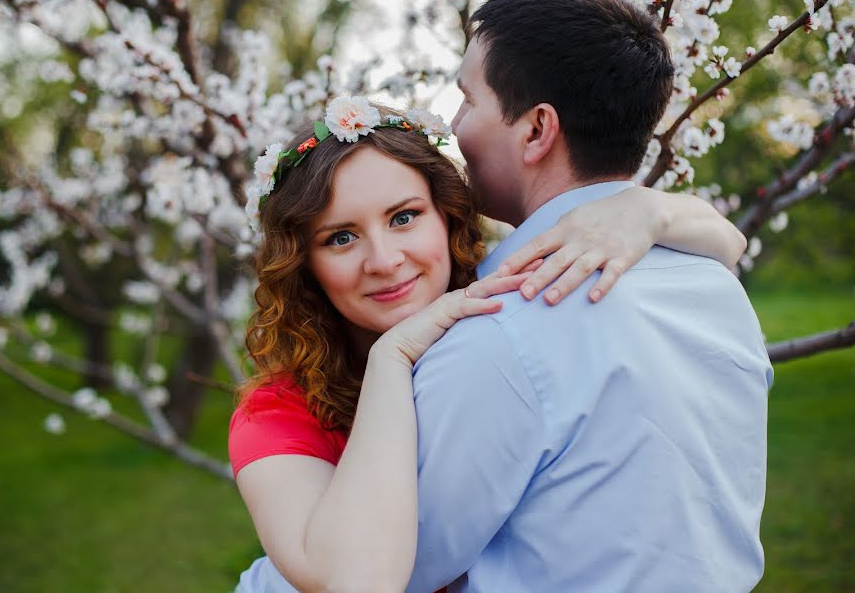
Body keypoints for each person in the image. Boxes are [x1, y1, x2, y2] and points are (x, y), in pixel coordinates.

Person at [229, 94, 749, 591]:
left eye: (404, 217)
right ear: (305, 265)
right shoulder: (275, 414)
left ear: (448, 216)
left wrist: (645, 212)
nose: (384, 260)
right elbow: (356, 582)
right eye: (340, 237)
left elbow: (729, 241)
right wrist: (392, 358)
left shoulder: (495, 312)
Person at [402, 0, 773, 592]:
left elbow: (397, 561)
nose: (450, 125)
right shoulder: (717, 288)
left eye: (468, 99)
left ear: (537, 130)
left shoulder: (498, 325)